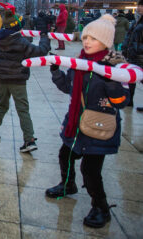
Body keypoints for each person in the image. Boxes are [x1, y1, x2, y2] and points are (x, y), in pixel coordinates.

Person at [47, 14, 129, 229]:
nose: (87, 42)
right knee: (65, 154)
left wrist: (111, 80)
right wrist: (56, 72)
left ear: (105, 42)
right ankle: (68, 185)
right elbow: (68, 87)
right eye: (85, 38)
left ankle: (100, 207)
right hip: (76, 122)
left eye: (93, 39)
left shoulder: (116, 67)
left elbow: (122, 102)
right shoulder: (80, 62)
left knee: (91, 170)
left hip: (97, 127)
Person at [0, 9, 50, 152]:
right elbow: (40, 51)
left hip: (2, 79)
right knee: (22, 109)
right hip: (17, 79)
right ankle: (29, 139)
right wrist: (45, 37)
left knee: (2, 105)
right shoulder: (20, 41)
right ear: (16, 26)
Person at [122, 0, 143, 109]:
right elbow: (130, 37)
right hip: (132, 54)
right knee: (131, 78)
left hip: (139, 55)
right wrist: (125, 49)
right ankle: (129, 101)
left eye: (141, 6)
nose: (139, 8)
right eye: (139, 5)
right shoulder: (136, 20)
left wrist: (137, 49)